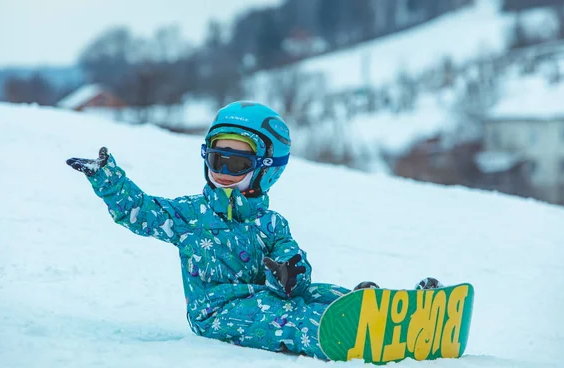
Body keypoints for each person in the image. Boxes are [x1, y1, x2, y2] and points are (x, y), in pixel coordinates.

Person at [66, 101, 441, 359]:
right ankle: (347, 335)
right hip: (219, 314)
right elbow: (140, 213)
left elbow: (296, 278)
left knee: (319, 294)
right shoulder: (190, 215)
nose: (223, 170)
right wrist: (108, 180)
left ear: (266, 168)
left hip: (266, 297)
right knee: (290, 320)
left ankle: (389, 312)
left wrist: (289, 274)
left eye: (236, 161)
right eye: (217, 158)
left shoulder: (272, 223)